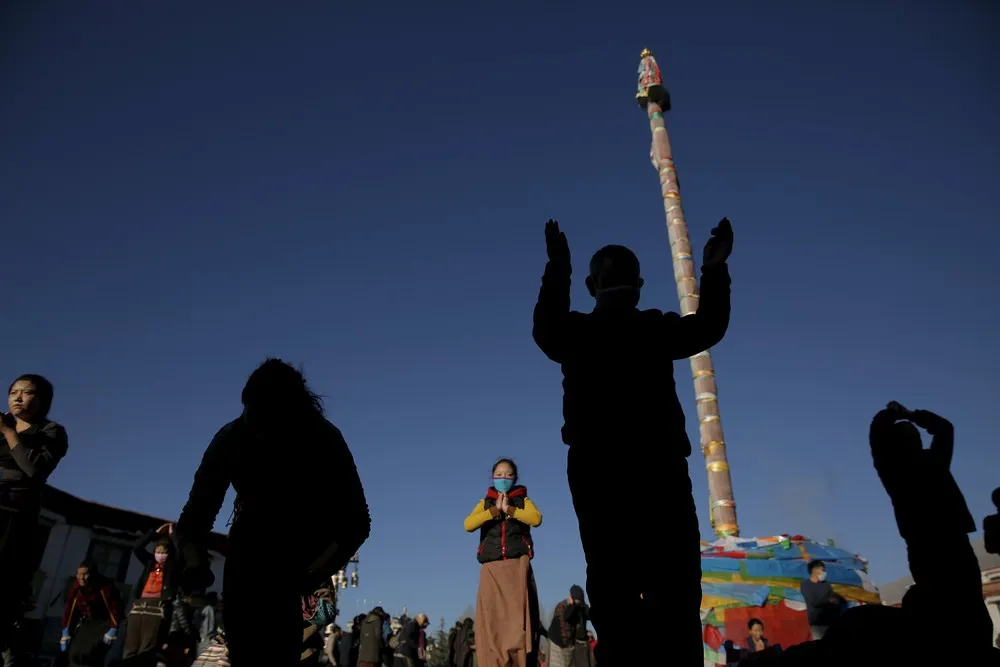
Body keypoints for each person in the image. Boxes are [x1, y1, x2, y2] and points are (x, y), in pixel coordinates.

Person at [531, 218, 733, 667]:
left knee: (613, 587)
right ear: (640, 286)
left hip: (597, 473)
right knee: (675, 589)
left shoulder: (577, 333)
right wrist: (715, 268)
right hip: (659, 472)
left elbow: (546, 328)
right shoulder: (656, 330)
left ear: (590, 284)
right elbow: (710, 326)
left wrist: (556, 267)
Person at [175, 359, 371, 667]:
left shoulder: (323, 438)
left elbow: (357, 522)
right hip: (247, 562)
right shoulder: (233, 436)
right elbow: (195, 517)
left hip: (294, 563)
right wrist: (193, 560)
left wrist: (311, 574)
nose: (260, 428)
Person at [0, 374, 68, 653]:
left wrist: (8, 432)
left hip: (13, 514)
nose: (17, 397)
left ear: (41, 400)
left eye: (26, 393)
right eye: (13, 392)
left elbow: (34, 470)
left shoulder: (50, 431)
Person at [464, 458, 543, 667]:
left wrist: (510, 510)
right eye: (499, 475)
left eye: (508, 475)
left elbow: (536, 518)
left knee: (518, 626)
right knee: (492, 625)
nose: (503, 478)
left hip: (517, 569)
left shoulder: (523, 500)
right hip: (491, 569)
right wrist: (494, 511)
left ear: (515, 478)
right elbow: (468, 524)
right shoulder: (485, 503)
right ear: (492, 477)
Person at [122, 522, 177, 659]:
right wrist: (153, 533)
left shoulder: (171, 567)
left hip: (157, 606)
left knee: (146, 648)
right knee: (130, 647)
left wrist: (173, 535)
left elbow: (179, 552)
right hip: (140, 604)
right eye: (158, 552)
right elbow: (137, 548)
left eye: (164, 553)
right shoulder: (149, 563)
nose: (160, 555)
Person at [60, 562, 122, 665]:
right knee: (74, 653)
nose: (81, 578)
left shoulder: (105, 587)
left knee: (91, 653)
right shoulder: (77, 587)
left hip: (104, 622)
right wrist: (66, 630)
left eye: (85, 574)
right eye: (79, 574)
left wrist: (113, 627)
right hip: (88, 621)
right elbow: (70, 608)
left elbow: (114, 608)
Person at [799, 560, 841, 640]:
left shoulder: (826, 584)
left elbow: (835, 600)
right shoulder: (805, 585)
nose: (824, 573)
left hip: (832, 623)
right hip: (818, 623)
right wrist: (829, 600)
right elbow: (814, 601)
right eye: (823, 570)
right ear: (815, 571)